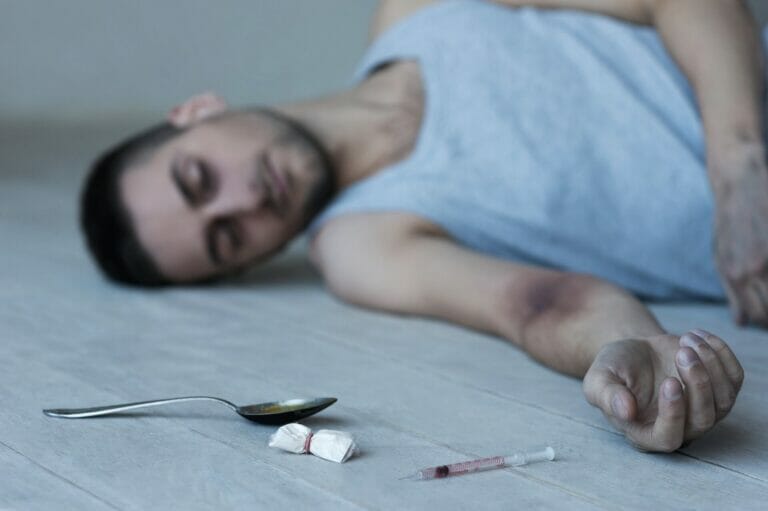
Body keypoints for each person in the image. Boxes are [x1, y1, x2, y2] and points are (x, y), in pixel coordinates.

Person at [80, 0, 767, 453]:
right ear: (246, 264)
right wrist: (632, 347)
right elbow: (531, 304)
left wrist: (739, 170)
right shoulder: (360, 247)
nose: (242, 202)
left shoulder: (418, 8)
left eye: (199, 177)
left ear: (197, 110)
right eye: (226, 237)